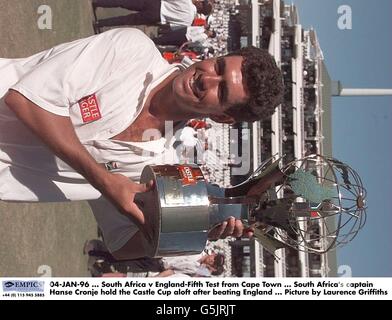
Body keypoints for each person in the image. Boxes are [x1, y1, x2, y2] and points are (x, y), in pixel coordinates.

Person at [2, 28, 284, 260]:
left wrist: (194, 224)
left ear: (222, 116)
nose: (206, 78)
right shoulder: (133, 51)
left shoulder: (159, 168)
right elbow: (25, 101)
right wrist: (105, 181)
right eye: (218, 66)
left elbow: (122, 244)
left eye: (220, 90)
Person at [93, 0, 214, 30]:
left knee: (125, 2)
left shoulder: (187, 2)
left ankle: (99, 2)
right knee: (127, 20)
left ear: (200, 6)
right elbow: (169, 26)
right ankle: (101, 23)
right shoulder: (188, 22)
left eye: (202, 2)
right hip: (157, 17)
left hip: (156, 3)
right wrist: (153, 24)